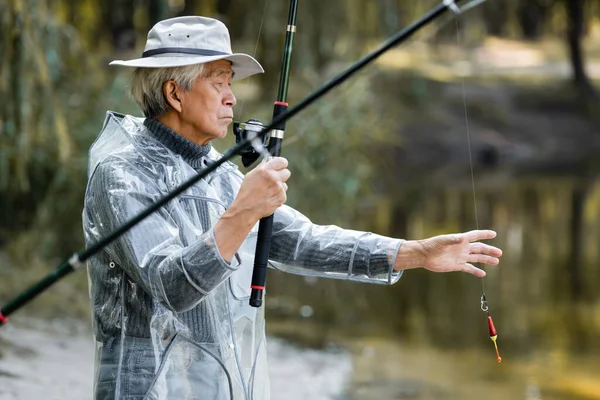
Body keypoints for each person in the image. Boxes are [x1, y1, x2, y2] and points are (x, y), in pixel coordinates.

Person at [83, 16, 502, 400]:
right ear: (175, 93)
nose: (232, 98)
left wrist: (416, 253)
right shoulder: (121, 175)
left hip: (210, 386)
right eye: (219, 83)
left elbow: (303, 242)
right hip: (142, 390)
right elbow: (172, 286)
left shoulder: (218, 171)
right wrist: (243, 212)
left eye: (231, 83)